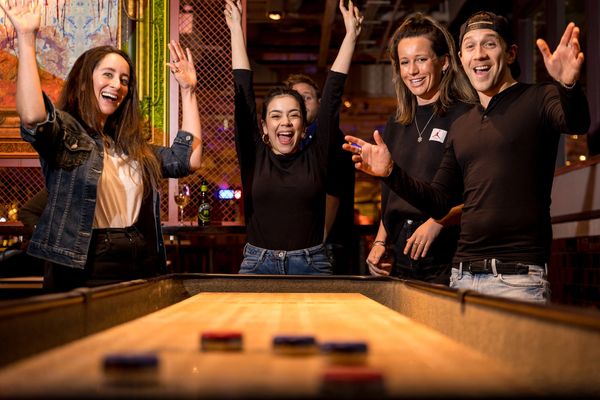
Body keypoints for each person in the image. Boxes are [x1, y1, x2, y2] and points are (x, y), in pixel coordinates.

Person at [343, 11, 590, 303]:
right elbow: (437, 202)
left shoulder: (538, 98)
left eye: (489, 44)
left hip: (517, 278)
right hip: (461, 276)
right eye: (470, 46)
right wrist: (391, 173)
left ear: (510, 53)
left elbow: (576, 123)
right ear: (461, 59)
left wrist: (568, 87)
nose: (479, 54)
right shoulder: (463, 126)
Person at [2, 0, 202, 291]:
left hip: (141, 261)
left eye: (124, 80)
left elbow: (189, 160)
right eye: (107, 74)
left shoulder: (132, 148)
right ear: (85, 82)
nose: (117, 85)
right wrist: (26, 38)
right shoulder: (66, 134)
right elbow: (33, 116)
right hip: (86, 263)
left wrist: (188, 90)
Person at [224, 0, 362, 275]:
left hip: (312, 264)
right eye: (276, 116)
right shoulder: (254, 155)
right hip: (257, 265)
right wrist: (235, 29)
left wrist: (350, 36)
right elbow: (243, 92)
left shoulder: (318, 154)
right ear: (264, 126)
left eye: (293, 115)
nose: (285, 122)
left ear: (303, 123)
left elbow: (333, 95)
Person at [365, 13, 477, 284]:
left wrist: (438, 222)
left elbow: (482, 195)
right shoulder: (395, 123)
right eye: (405, 62)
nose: (412, 71)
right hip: (401, 258)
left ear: (445, 62)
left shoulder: (468, 116)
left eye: (421, 59)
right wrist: (381, 242)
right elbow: (390, 194)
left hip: (448, 258)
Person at [283, 73, 356, 275]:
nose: (300, 102)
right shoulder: (295, 143)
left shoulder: (329, 138)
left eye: (306, 97)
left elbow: (332, 194)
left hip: (324, 248)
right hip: (300, 247)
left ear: (320, 103)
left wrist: (316, 245)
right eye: (294, 97)